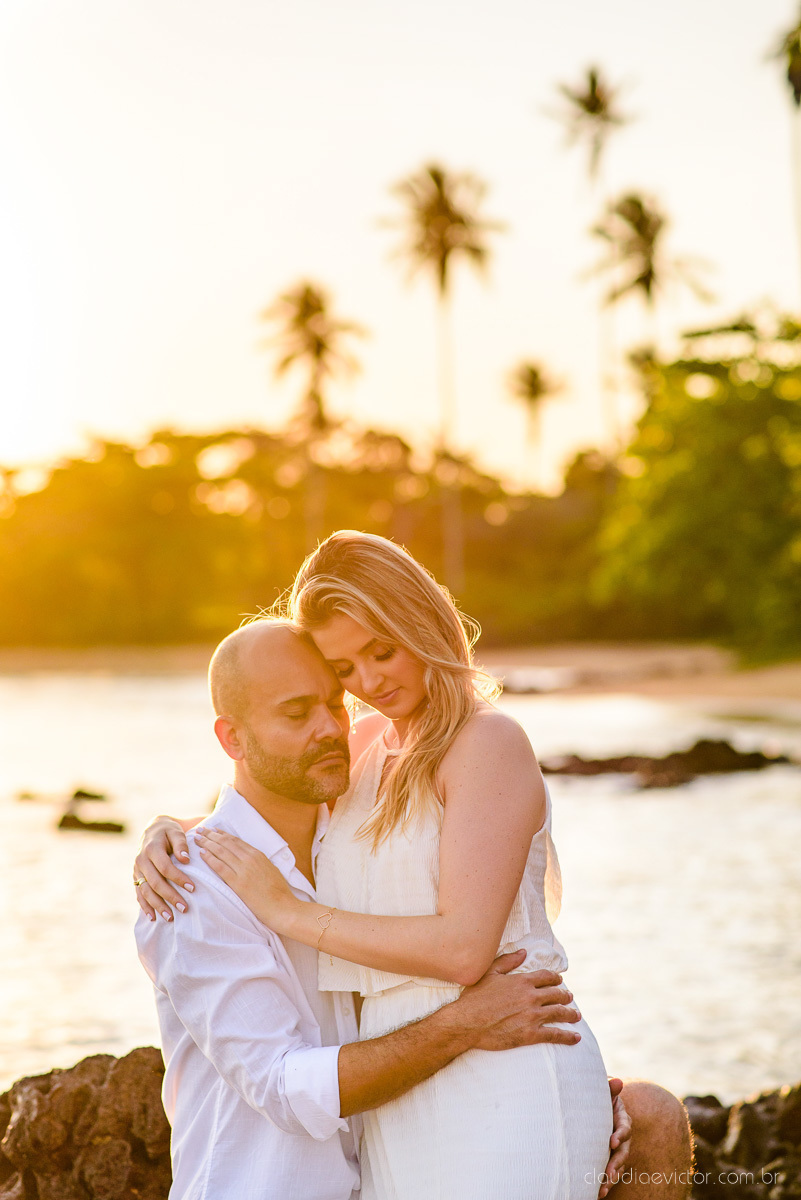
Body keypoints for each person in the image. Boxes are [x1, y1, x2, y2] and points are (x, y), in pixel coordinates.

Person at [137, 532, 693, 1198]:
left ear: (422, 621)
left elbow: (464, 949)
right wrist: (172, 830)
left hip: (505, 1072)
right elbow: (277, 803)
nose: (368, 685)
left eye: (382, 651)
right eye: (344, 669)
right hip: (395, 1109)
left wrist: (287, 910)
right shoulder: (365, 747)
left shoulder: (487, 741)